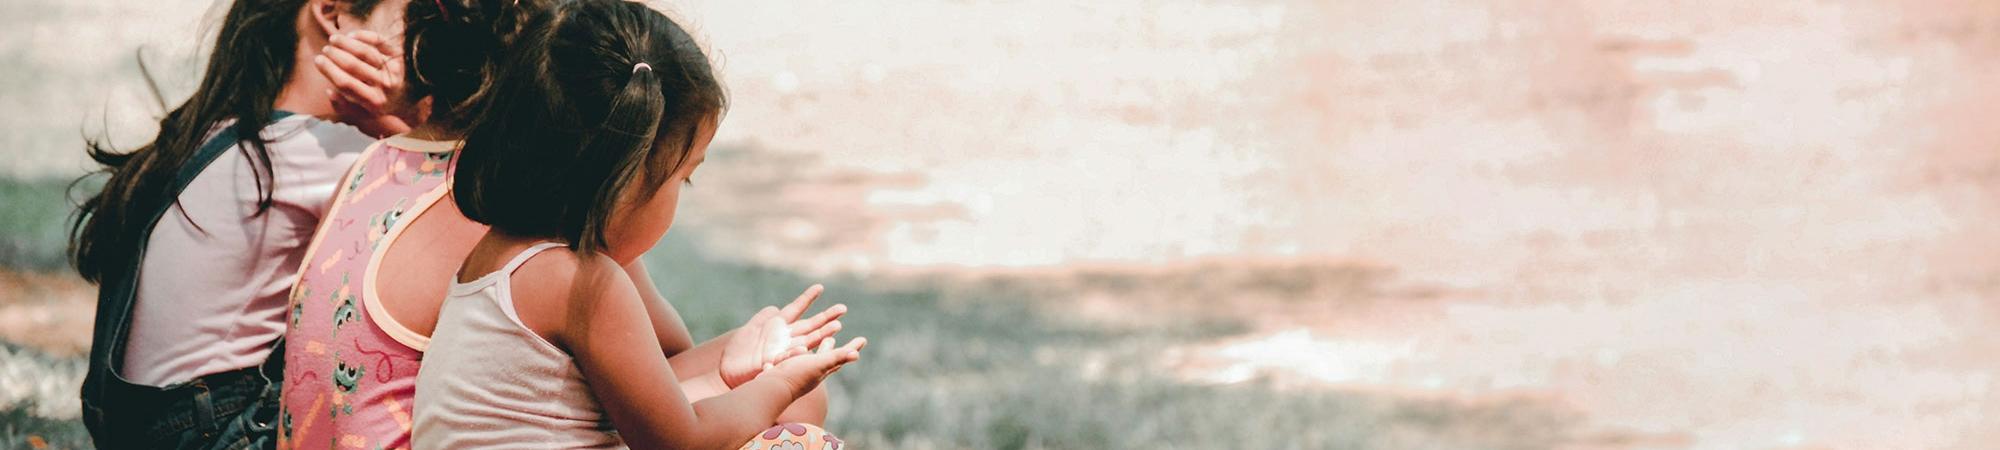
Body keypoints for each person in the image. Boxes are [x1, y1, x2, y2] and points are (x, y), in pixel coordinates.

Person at [289, 1, 845, 448]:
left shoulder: (499, 249)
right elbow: (679, 438)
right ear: (623, 177)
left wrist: (734, 354)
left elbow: (638, 381)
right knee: (798, 438)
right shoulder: (581, 282)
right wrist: (776, 384)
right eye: (683, 179)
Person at [69, 0, 408, 448]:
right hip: (221, 433)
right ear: (332, 13)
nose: (416, 46)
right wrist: (406, 119)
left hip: (148, 428)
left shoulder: (219, 134)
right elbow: (463, 212)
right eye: (409, 17)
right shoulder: (318, 150)